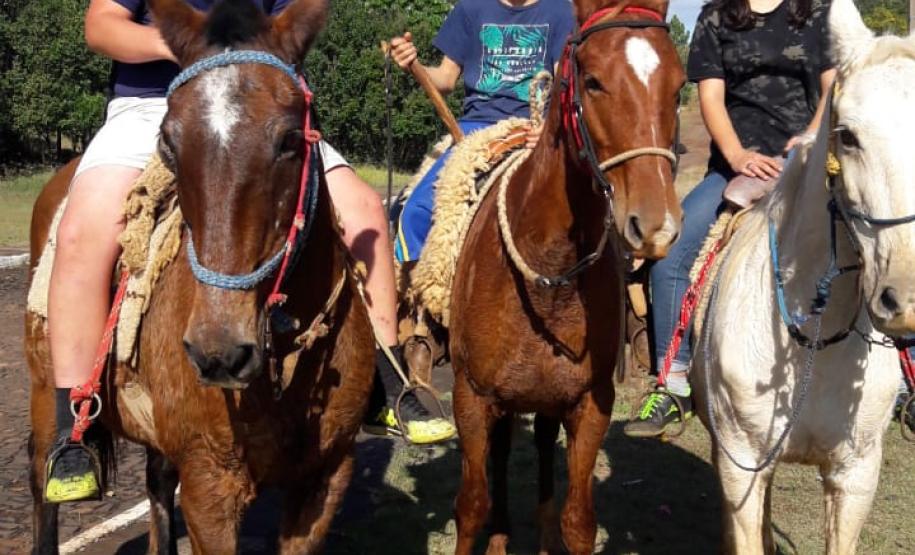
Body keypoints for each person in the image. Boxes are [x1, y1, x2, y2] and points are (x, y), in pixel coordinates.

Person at [45, 0, 454, 505]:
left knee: (366, 208)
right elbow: (100, 26)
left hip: (257, 101)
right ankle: (75, 424)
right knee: (82, 233)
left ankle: (387, 383)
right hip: (152, 104)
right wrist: (181, 47)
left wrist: (251, 61)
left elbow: (291, 26)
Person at [624, 0, 836, 438]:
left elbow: (832, 85)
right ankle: (672, 381)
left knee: (873, 234)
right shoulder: (715, 16)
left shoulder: (817, 11)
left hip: (807, 161)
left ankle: (906, 372)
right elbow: (711, 97)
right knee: (673, 256)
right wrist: (738, 156)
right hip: (733, 167)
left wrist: (810, 140)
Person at [389, 0, 575, 263]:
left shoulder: (560, 11)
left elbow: (562, 84)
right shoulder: (471, 8)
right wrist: (414, 65)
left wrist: (549, 129)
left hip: (536, 128)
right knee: (414, 212)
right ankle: (420, 293)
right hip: (476, 130)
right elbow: (445, 78)